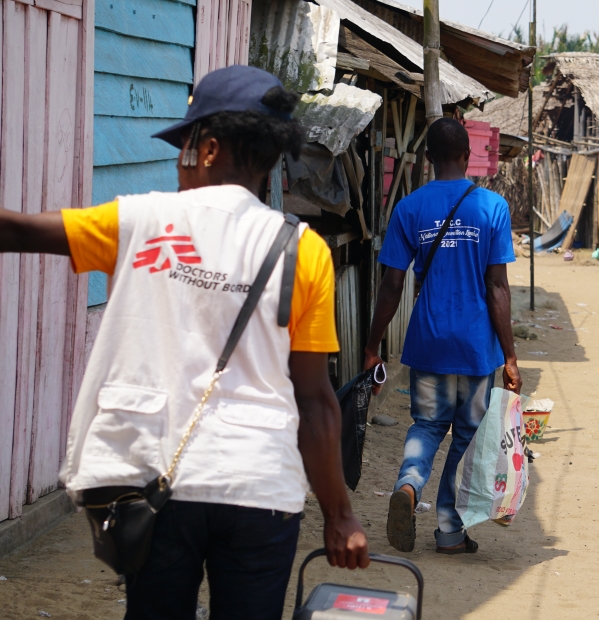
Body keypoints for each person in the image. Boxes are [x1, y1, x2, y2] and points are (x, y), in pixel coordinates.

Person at [0, 65, 369, 619]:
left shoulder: (142, 221)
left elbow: (19, 230)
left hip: (160, 483)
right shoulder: (304, 250)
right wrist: (339, 514)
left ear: (210, 147)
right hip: (260, 488)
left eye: (185, 146)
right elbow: (315, 401)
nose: (179, 160)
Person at [363, 118, 521, 555]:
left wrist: (372, 346)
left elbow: (392, 286)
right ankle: (450, 531)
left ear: (427, 159)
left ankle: (410, 486)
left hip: (428, 342)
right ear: (467, 155)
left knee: (427, 425)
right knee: (467, 436)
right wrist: (509, 356)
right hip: (475, 348)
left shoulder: (409, 208)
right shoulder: (492, 207)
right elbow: (497, 287)